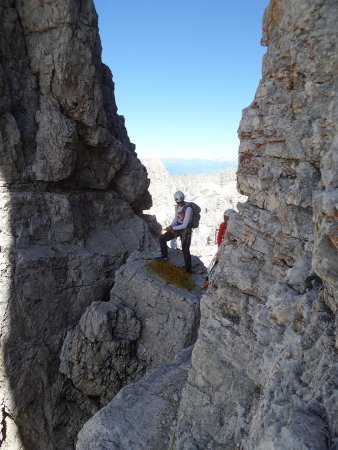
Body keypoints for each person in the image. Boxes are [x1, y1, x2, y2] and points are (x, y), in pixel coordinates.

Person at [157, 191, 193, 273]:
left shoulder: (188, 209)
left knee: (185, 249)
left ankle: (188, 270)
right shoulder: (177, 207)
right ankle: (164, 256)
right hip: (177, 227)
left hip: (186, 230)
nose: (179, 203)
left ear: (183, 199)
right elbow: (176, 218)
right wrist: (170, 226)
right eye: (178, 202)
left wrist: (172, 228)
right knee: (162, 238)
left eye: (181, 202)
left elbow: (185, 225)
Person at [200, 209, 235, 288]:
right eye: (224, 217)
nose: (225, 219)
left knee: (216, 265)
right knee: (215, 265)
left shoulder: (232, 227)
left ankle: (209, 282)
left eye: (226, 217)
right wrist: (220, 248)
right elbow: (219, 237)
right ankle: (207, 281)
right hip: (224, 248)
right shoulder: (223, 225)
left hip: (228, 249)